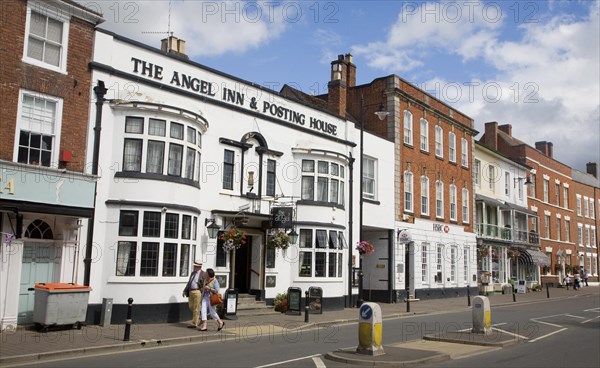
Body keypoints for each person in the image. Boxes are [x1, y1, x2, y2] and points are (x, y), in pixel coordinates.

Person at [182, 260, 205, 328]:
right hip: (191, 291)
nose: (195, 267)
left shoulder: (203, 274)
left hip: (198, 291)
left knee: (196, 308)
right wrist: (185, 290)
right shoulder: (193, 273)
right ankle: (199, 319)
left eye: (196, 266)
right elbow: (189, 282)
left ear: (199, 266)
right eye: (195, 265)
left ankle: (194, 323)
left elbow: (204, 284)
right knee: (191, 306)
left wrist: (202, 292)